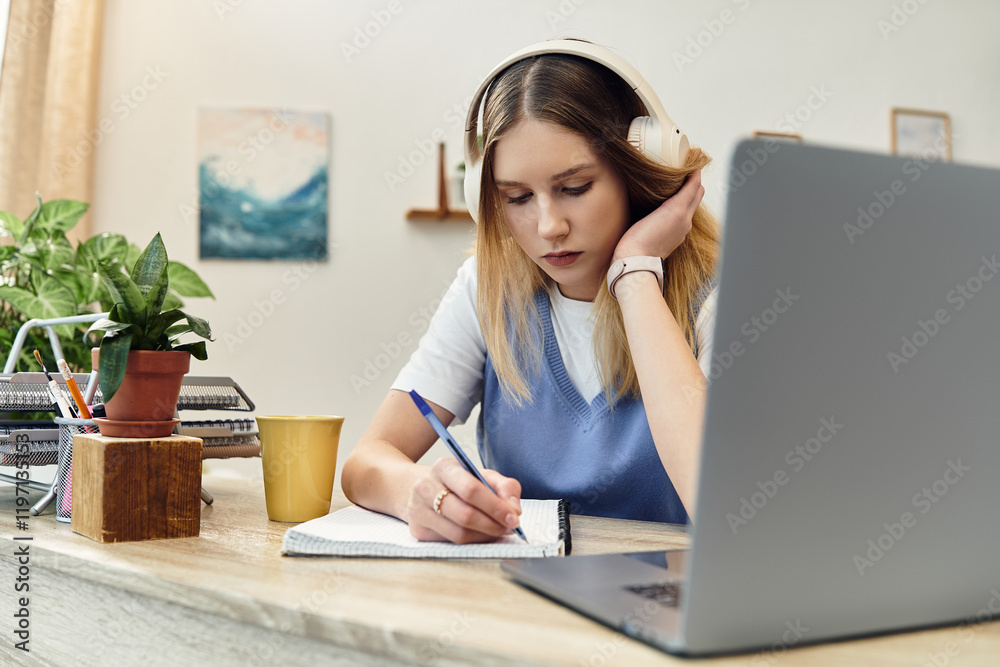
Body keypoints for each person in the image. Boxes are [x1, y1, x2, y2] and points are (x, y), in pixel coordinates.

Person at [341, 40, 720, 544]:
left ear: (637, 170)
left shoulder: (717, 294)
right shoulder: (488, 289)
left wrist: (635, 275)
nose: (548, 226)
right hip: (521, 603)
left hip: (668, 606)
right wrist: (423, 490)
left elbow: (718, 501)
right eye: (517, 198)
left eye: (575, 188)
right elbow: (366, 462)